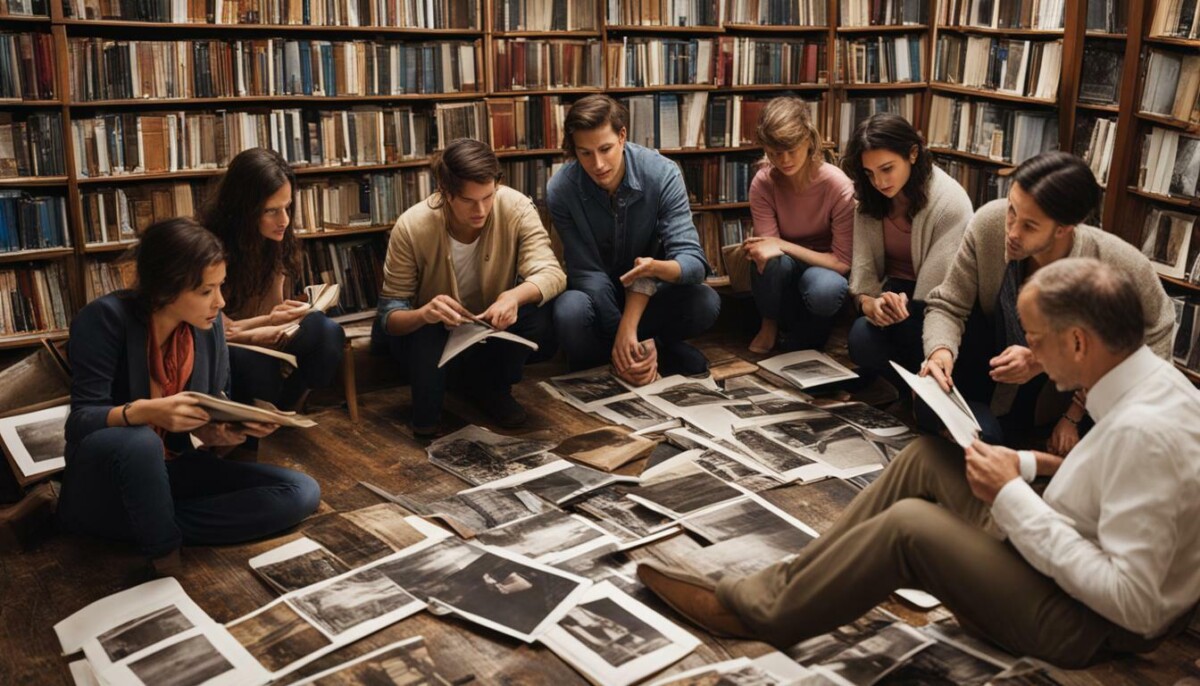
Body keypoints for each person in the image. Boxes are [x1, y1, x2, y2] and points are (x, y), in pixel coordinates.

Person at [637, 258, 1200, 669]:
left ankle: (761, 613)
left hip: (1078, 622)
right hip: (1056, 552)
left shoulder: (1145, 433)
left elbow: (1136, 606)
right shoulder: (1147, 383)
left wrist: (1009, 498)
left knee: (911, 527)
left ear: (1078, 342)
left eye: (1034, 340)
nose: (1028, 353)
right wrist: (1027, 466)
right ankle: (790, 585)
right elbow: (1105, 483)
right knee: (926, 456)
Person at [57, 218, 321, 571]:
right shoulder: (104, 319)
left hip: (172, 468)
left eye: (220, 286)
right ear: (165, 288)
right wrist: (148, 411)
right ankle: (163, 549)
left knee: (301, 491)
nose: (220, 301)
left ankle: (144, 522)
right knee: (140, 442)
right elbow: (80, 423)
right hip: (107, 479)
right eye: (206, 291)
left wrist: (223, 429)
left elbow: (197, 427)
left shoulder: (207, 329)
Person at [919, 151, 1174, 452]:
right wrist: (939, 353)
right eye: (1012, 210)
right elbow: (948, 304)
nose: (1011, 231)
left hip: (1062, 390)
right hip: (991, 357)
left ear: (1064, 228)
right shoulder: (990, 222)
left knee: (986, 439)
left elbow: (1154, 342)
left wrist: (1050, 372)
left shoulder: (1120, 265)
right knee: (885, 344)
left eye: (1030, 226)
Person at [373, 138, 565, 436]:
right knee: (429, 329)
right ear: (445, 192)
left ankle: (492, 390)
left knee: (541, 310)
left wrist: (513, 296)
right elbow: (389, 317)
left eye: (488, 197)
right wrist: (425, 313)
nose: (481, 209)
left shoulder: (515, 206)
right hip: (428, 335)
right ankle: (427, 418)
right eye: (468, 201)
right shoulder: (412, 225)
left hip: (486, 327)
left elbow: (551, 273)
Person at [548, 94, 720, 384]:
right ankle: (639, 354)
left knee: (706, 301)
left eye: (605, 149)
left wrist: (655, 270)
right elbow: (586, 272)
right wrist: (623, 334)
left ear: (622, 136)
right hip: (597, 299)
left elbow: (693, 263)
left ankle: (632, 352)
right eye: (585, 153)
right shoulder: (561, 188)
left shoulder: (662, 174)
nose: (598, 164)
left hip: (652, 297)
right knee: (569, 312)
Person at [201, 147, 346, 412]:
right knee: (258, 368)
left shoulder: (278, 241)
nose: (284, 220)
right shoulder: (210, 246)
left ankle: (286, 409)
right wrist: (267, 325)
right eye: (271, 211)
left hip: (269, 337)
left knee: (327, 332)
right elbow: (221, 331)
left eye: (287, 207)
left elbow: (275, 308)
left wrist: (291, 315)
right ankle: (274, 412)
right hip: (229, 344)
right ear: (243, 209)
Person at [842, 114, 974, 391]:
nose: (878, 181)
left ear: (913, 154)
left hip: (937, 304)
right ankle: (906, 390)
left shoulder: (949, 202)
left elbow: (940, 297)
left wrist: (896, 305)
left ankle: (917, 391)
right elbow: (863, 275)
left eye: (887, 169)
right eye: (869, 173)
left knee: (916, 339)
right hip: (891, 296)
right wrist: (870, 304)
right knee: (860, 338)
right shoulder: (869, 197)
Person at [744, 96, 856, 354]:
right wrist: (777, 247)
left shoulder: (837, 185)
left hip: (824, 270)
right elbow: (766, 251)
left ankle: (812, 336)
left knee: (827, 289)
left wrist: (782, 244)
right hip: (782, 271)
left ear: (808, 140)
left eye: (791, 150)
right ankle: (769, 324)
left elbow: (841, 262)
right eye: (774, 153)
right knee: (767, 258)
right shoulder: (763, 183)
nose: (784, 161)